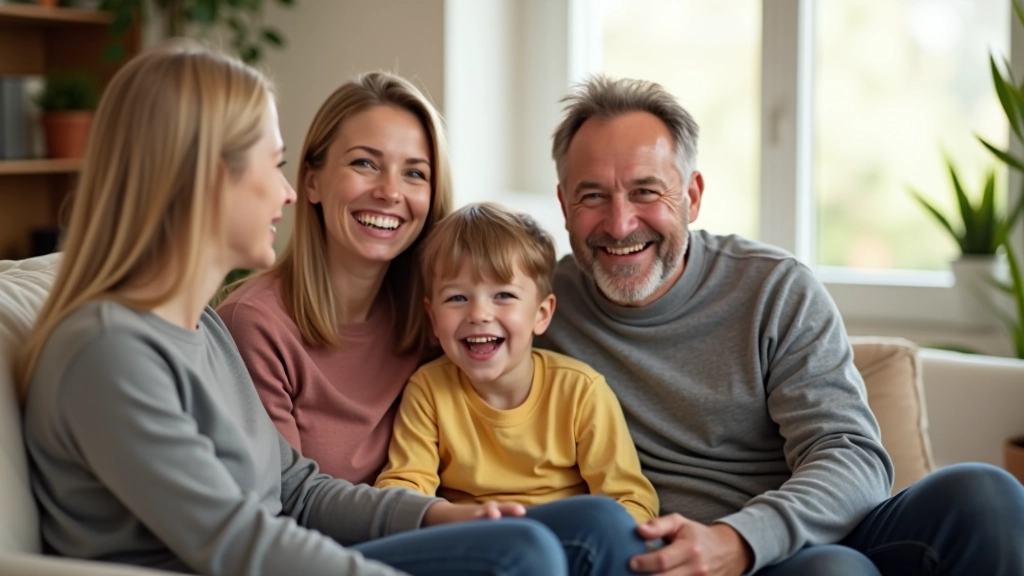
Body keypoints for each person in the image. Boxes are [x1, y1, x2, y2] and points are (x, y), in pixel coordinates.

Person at [15, 44, 576, 576]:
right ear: (204, 177)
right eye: (273, 165)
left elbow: (297, 489)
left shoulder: (200, 328)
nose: (285, 193)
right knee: (519, 553)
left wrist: (434, 516)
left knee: (588, 524)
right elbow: (237, 542)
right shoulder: (109, 352)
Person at [536, 75, 1024, 575]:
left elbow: (850, 456)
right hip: (668, 555)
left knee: (985, 495)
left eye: (646, 191)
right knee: (834, 571)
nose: (620, 224)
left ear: (692, 196)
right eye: (592, 196)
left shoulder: (773, 288)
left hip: (794, 532)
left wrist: (739, 540)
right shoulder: (534, 308)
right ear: (564, 205)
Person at [375, 202, 658, 574]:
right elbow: (404, 490)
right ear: (433, 318)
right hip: (480, 548)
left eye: (503, 295)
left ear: (541, 314)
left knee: (606, 520)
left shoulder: (580, 390)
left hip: (567, 546)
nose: (479, 314)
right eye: (457, 298)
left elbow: (629, 500)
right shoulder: (428, 389)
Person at [216, 71, 450, 485]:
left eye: (415, 173)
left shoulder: (441, 318)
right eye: (365, 163)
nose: (390, 192)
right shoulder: (254, 325)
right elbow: (288, 501)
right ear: (312, 182)